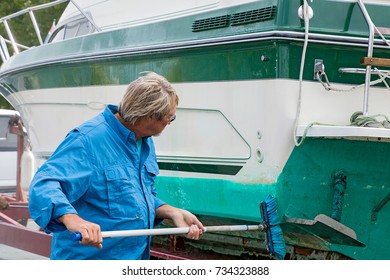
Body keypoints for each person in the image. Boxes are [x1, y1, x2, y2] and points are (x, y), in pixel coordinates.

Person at [28, 72, 204, 260]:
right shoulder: (88, 140)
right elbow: (44, 185)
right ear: (149, 116)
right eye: (170, 117)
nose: (170, 122)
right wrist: (74, 220)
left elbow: (133, 196)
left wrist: (171, 211)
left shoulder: (143, 140)